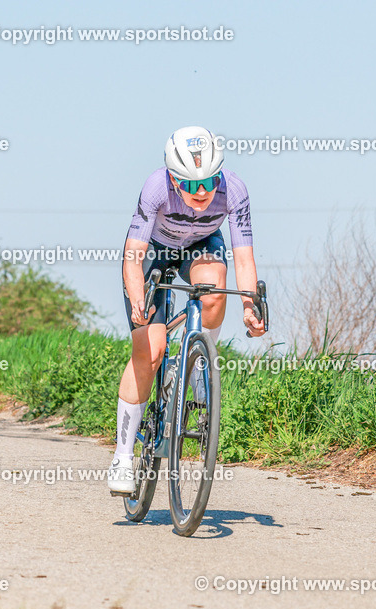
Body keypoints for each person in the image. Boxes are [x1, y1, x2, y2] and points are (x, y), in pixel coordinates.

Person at [109, 125, 265, 493]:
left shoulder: (235, 190)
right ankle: (123, 455)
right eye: (191, 185)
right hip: (154, 253)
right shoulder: (155, 188)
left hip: (200, 246)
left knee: (213, 288)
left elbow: (244, 258)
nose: (203, 192)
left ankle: (198, 363)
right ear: (173, 179)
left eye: (210, 182)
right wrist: (137, 301)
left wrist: (248, 306)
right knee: (151, 351)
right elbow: (134, 256)